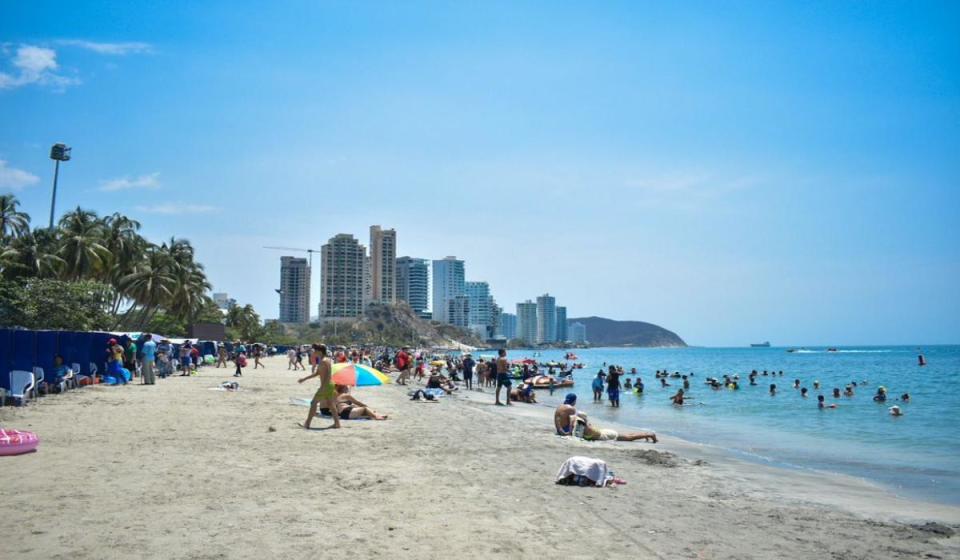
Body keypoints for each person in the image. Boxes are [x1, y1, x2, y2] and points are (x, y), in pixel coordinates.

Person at [298, 344, 340, 430]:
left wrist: (322, 387)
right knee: (331, 405)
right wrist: (304, 379)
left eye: (315, 350)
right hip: (329, 385)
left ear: (320, 351)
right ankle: (337, 423)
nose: (313, 352)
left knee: (313, 403)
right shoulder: (325, 360)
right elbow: (317, 373)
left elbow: (327, 375)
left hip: (326, 386)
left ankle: (307, 423)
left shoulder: (324, 361)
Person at [582, 421, 657, 443]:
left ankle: (650, 435)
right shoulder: (587, 425)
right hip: (605, 432)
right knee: (627, 436)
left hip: (608, 435)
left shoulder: (585, 428)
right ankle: (645, 434)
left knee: (629, 438)